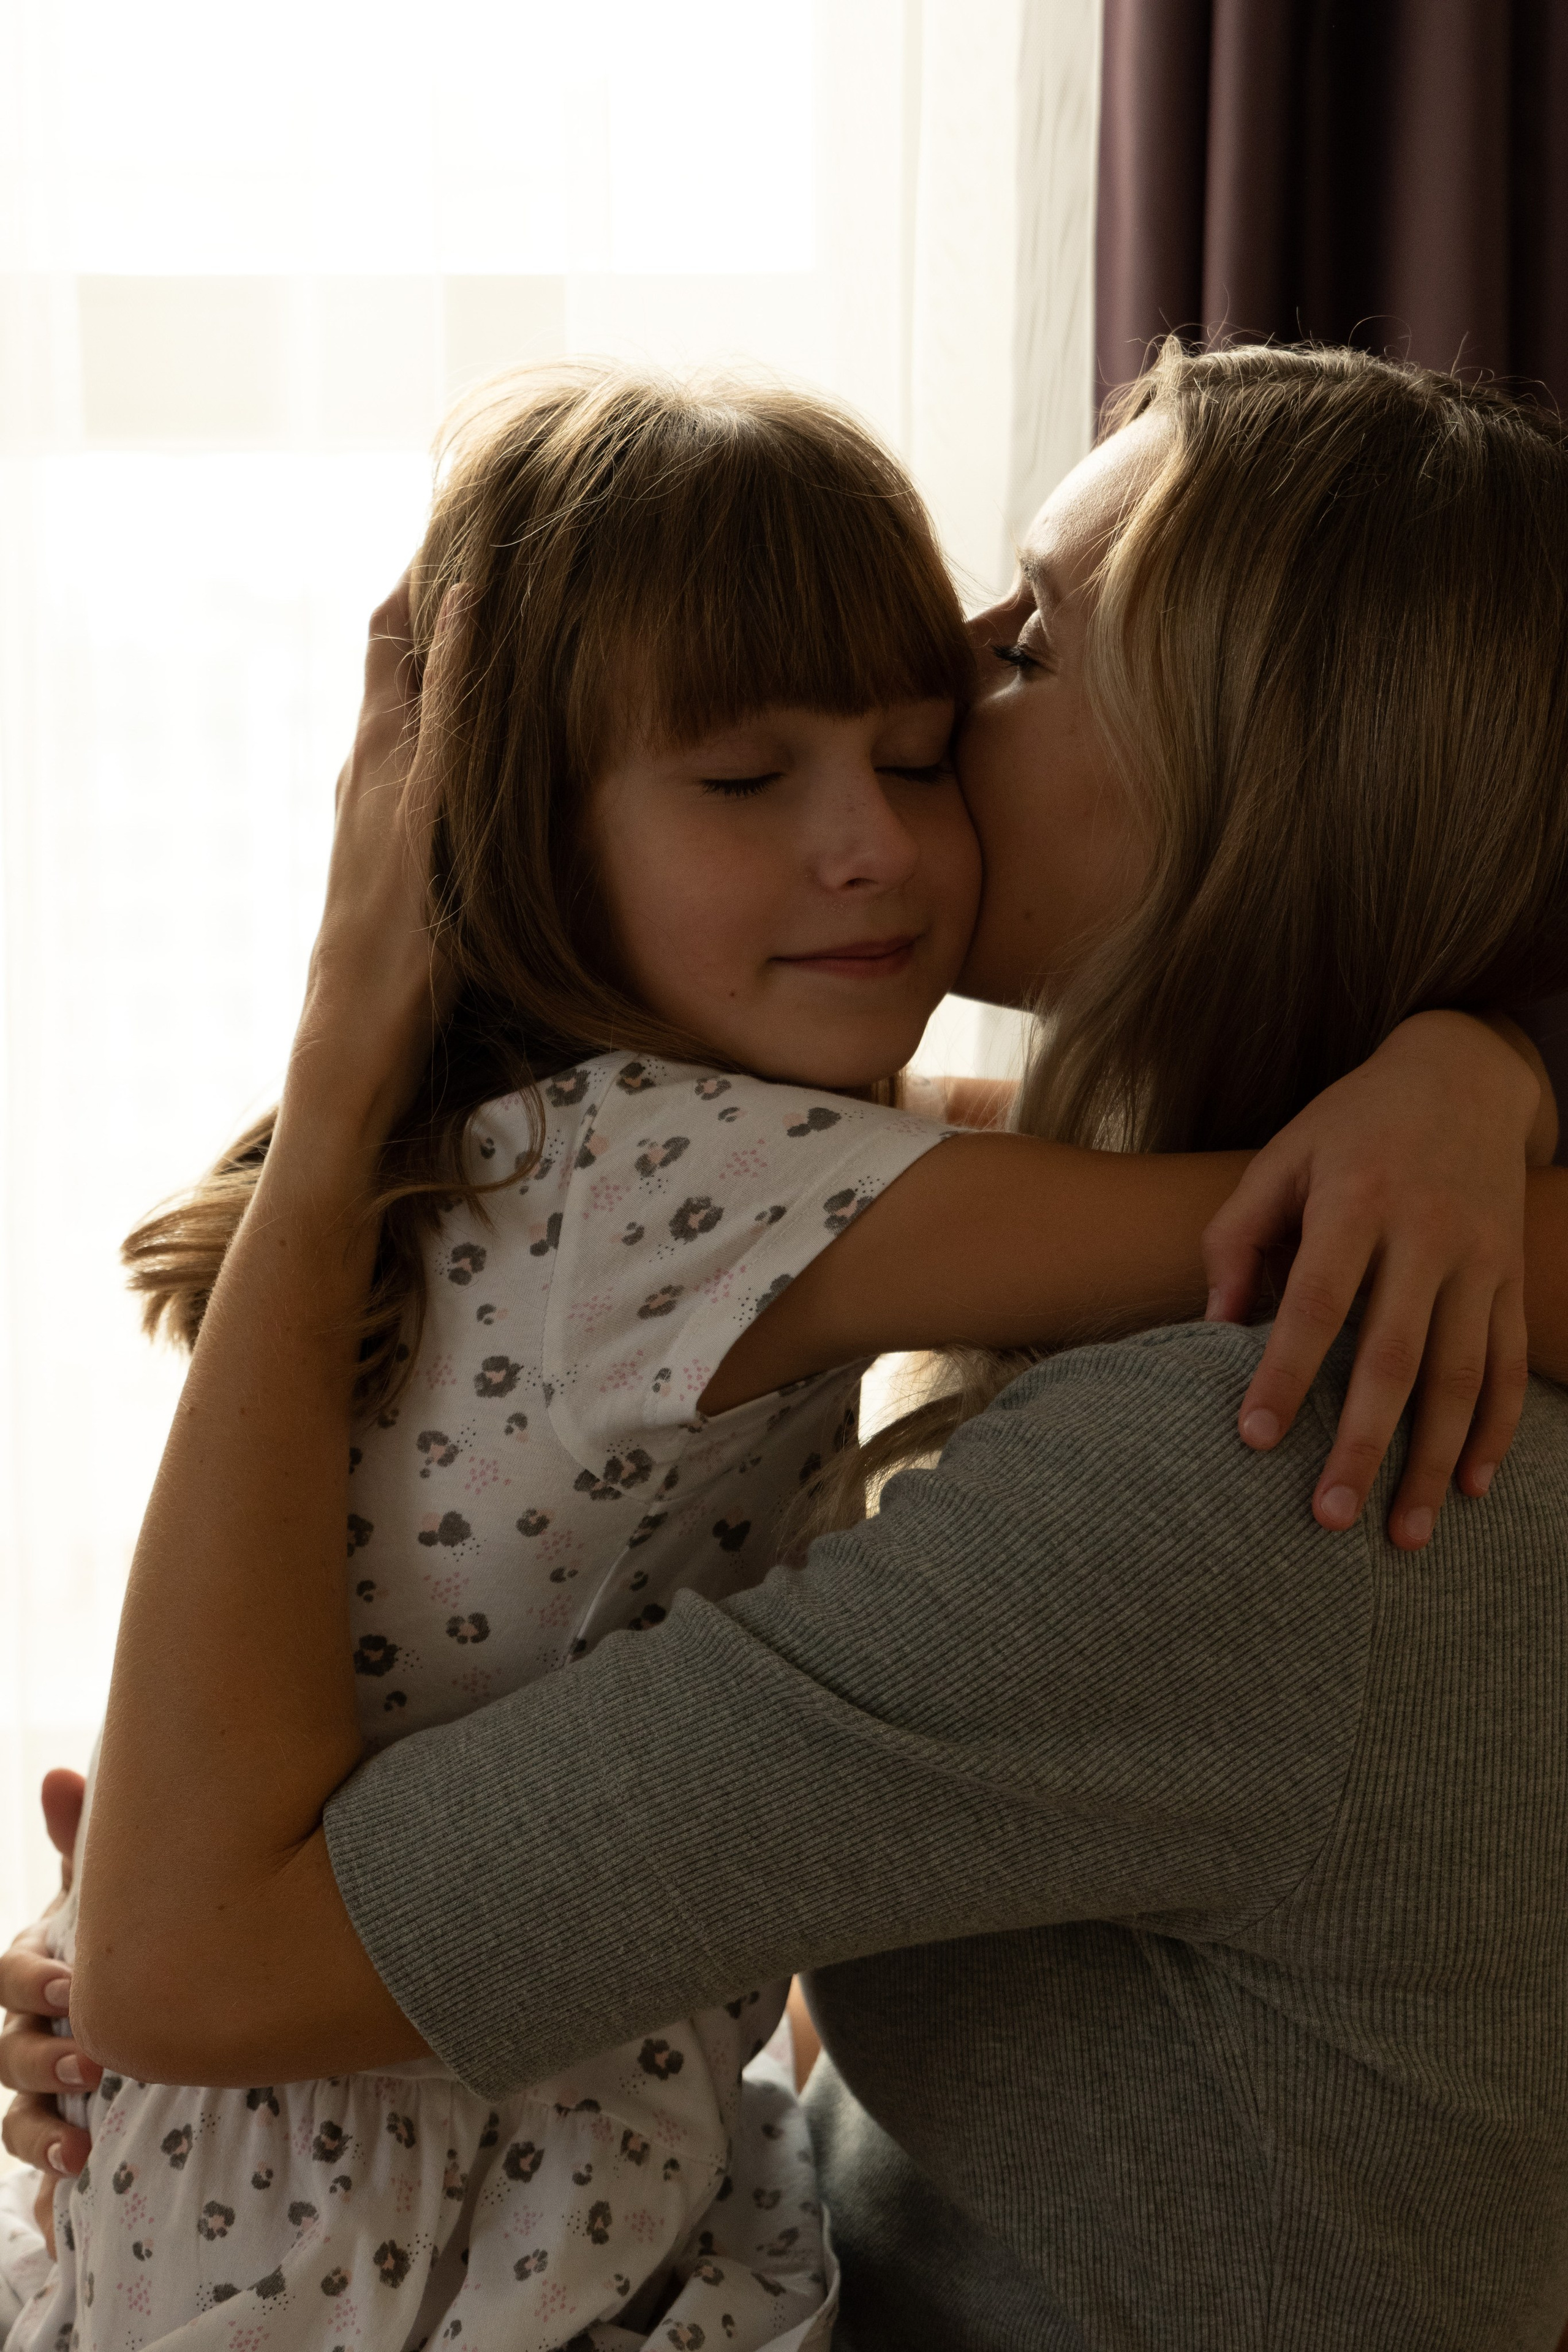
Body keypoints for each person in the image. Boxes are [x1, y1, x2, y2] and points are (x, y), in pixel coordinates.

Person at [6, 342, 1568, 2348]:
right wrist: (1484, 1062)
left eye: (1023, 653)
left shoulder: (1244, 1458)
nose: (950, 660)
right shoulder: (948, 1249)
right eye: (749, 774)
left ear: (1268, 775)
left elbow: (190, 1970)